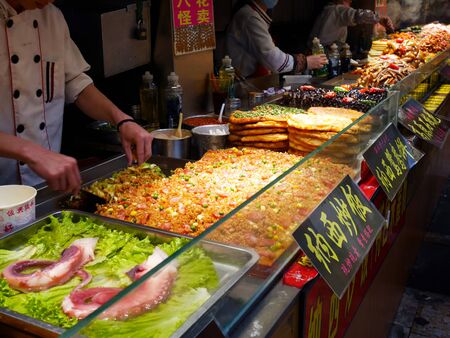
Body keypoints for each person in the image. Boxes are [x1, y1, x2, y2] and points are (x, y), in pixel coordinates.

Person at [0, 0, 153, 194]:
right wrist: (31, 152)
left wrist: (121, 120)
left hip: (45, 183)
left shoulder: (52, 17)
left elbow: (75, 83)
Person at [226, 0, 328, 78]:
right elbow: (274, 60)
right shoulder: (250, 17)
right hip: (246, 83)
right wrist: (305, 62)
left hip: (255, 81)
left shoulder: (254, 14)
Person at [309, 0, 395, 49]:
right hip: (322, 55)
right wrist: (379, 18)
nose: (350, 5)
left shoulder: (330, 10)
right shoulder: (336, 10)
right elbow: (358, 15)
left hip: (324, 53)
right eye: (349, 3)